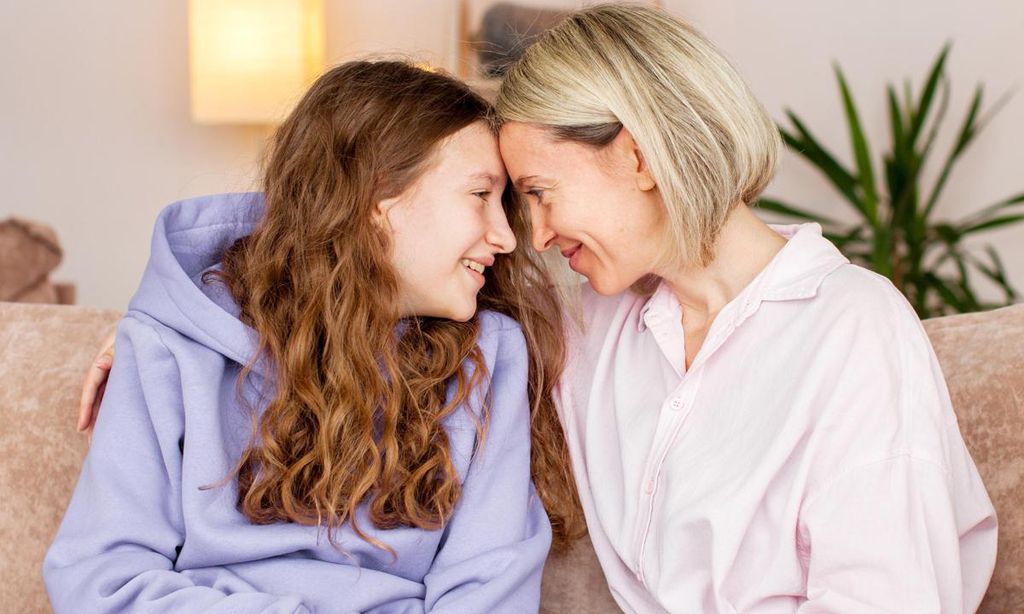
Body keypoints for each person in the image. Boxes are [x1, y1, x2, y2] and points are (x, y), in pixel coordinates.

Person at [77, 5, 999, 613]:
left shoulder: (851, 328)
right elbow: (339, 228)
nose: (525, 235)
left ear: (636, 156)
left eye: (536, 193)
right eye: (509, 202)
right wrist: (182, 316)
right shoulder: (598, 319)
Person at [46, 60, 582, 613]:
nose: (505, 237)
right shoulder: (170, 348)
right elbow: (99, 582)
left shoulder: (490, 357)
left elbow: (491, 592)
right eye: (479, 194)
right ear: (379, 195)